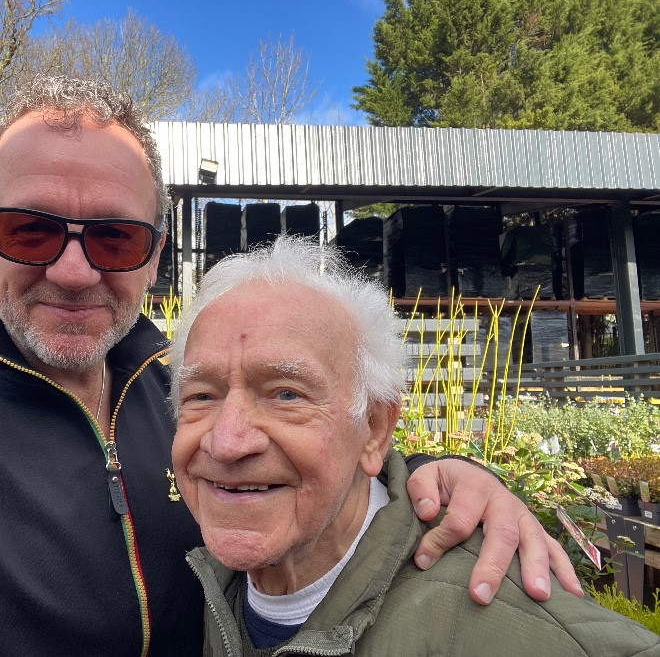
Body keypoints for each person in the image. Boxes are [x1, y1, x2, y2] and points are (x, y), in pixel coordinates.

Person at [0, 76, 579, 657]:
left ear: (154, 257)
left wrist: (442, 479)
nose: (73, 272)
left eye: (115, 238)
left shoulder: (172, 383)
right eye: (27, 230)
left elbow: (327, 453)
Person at [171, 237, 660, 657]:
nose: (227, 442)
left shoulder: (510, 626)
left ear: (374, 429)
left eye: (286, 395)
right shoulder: (197, 586)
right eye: (201, 396)